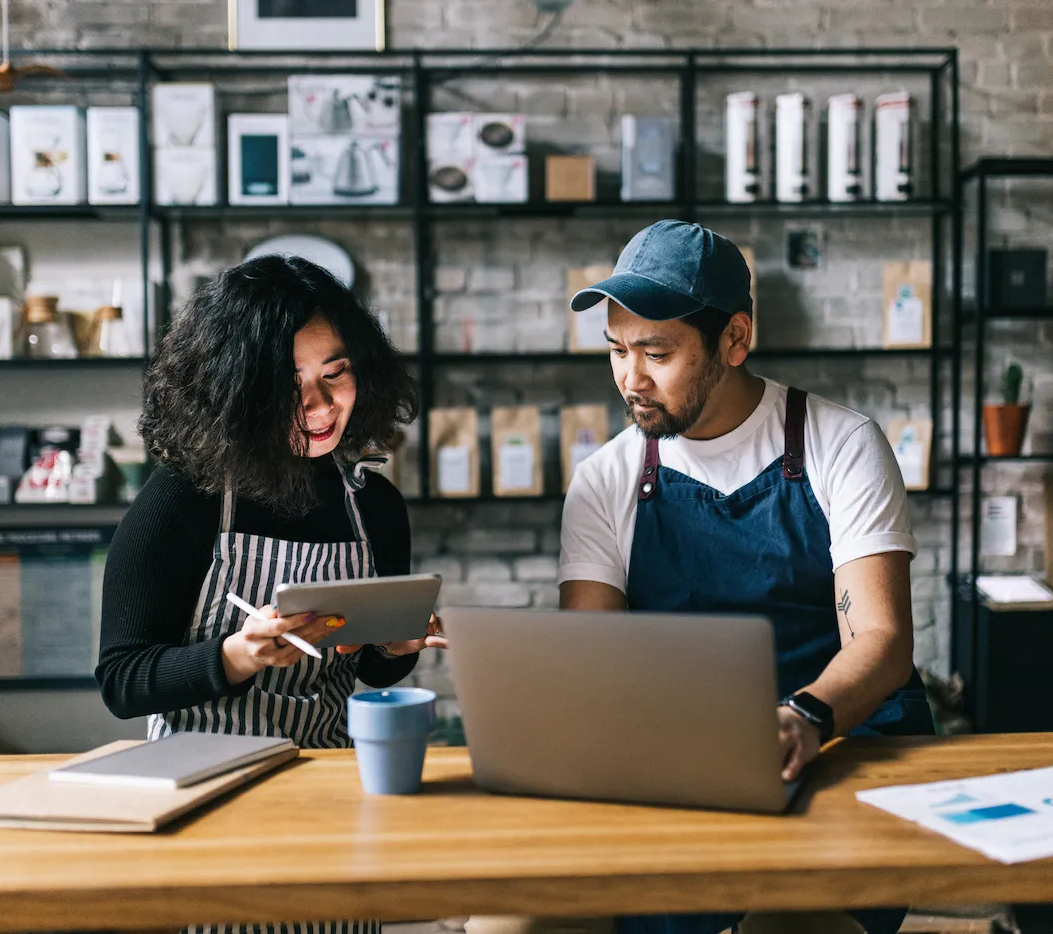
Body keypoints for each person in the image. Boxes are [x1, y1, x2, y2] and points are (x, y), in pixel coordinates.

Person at [476, 220, 934, 934]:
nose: (632, 378)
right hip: (672, 765)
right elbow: (591, 665)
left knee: (787, 929)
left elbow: (881, 639)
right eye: (617, 350)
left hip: (834, 748)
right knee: (514, 925)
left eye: (657, 352)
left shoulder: (841, 445)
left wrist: (804, 720)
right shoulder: (606, 480)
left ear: (735, 339)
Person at [96, 254, 444, 934]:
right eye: (288, 386)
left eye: (333, 376)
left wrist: (395, 650)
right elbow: (122, 680)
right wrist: (236, 656)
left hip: (334, 800)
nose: (318, 407)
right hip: (204, 806)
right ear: (238, 392)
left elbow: (370, 671)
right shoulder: (180, 502)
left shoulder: (373, 509)